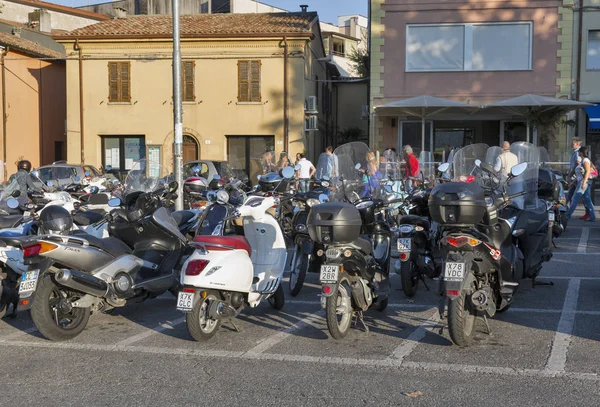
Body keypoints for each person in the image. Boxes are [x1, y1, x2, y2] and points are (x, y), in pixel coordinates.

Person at [567, 146, 596, 222]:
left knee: (575, 198)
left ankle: (567, 215)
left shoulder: (585, 160)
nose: (578, 153)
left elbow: (588, 171)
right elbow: (579, 176)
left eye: (579, 152)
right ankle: (592, 216)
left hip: (583, 182)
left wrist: (584, 182)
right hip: (582, 181)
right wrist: (573, 183)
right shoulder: (582, 160)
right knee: (587, 200)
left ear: (582, 153)